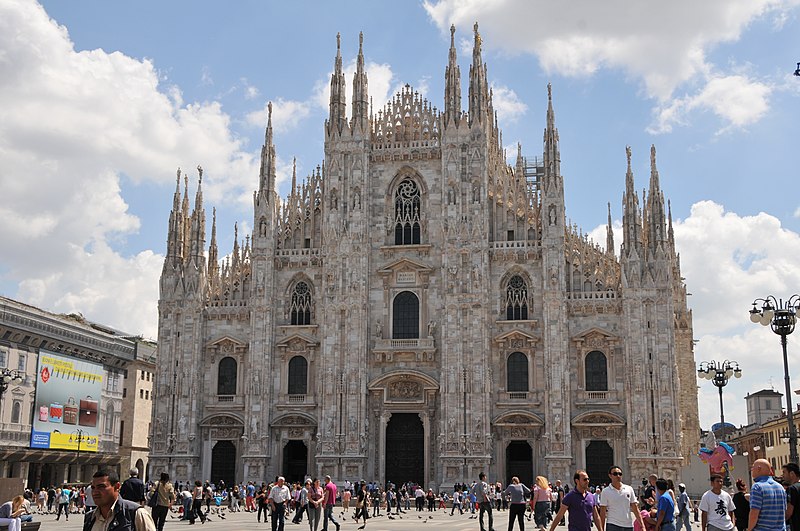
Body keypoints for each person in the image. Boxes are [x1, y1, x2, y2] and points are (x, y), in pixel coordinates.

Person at [83, 468, 156, 531]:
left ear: (117, 487)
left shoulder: (136, 514)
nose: (95, 492)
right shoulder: (90, 518)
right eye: (93, 488)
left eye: (101, 487)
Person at [599, 466, 646, 531]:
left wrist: (642, 526)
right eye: (615, 474)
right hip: (613, 525)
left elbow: (635, 508)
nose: (618, 476)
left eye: (620, 474)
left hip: (628, 525)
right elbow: (603, 512)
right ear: (610, 476)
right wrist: (601, 528)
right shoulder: (606, 491)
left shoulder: (629, 489)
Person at [749, 459, 786, 531]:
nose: (752, 470)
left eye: (753, 467)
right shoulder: (780, 487)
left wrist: (749, 529)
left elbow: (754, 513)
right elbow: (783, 511)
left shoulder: (757, 487)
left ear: (759, 468)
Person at [784, 463, 800, 531]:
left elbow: (789, 513)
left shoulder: (792, 489)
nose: (783, 475)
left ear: (792, 473)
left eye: (784, 472)